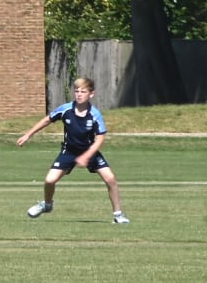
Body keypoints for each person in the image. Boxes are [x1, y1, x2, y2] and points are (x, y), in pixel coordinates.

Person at [17, 76, 128, 224]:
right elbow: (46, 120)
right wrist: (28, 134)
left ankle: (118, 215)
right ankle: (47, 205)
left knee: (111, 179)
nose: (79, 94)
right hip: (69, 151)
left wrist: (87, 156)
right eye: (77, 91)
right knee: (49, 180)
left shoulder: (95, 115)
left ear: (91, 94)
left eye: (83, 91)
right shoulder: (66, 109)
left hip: (90, 152)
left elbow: (100, 138)